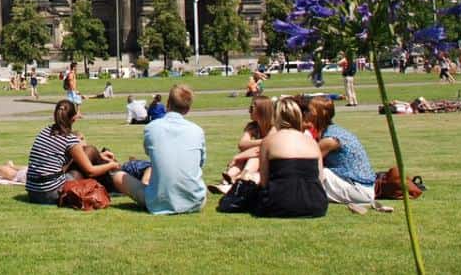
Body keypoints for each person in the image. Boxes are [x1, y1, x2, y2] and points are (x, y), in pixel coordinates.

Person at [116, 84, 207, 215]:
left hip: (158, 202)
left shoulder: (151, 128)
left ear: (168, 104)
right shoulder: (197, 131)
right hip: (195, 202)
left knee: (119, 177)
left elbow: (151, 154)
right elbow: (200, 164)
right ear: (188, 109)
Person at [25, 100, 123, 205]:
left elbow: (63, 162)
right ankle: (115, 186)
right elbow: (91, 171)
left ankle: (113, 183)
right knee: (91, 151)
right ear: (74, 118)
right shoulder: (69, 139)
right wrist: (112, 165)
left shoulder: (44, 132)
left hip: (33, 192)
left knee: (90, 151)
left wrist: (100, 155)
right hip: (51, 193)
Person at [307, 96, 390, 214]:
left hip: (359, 190)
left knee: (315, 172)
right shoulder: (336, 130)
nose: (306, 113)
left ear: (320, 114)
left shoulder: (330, 139)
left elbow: (308, 162)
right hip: (363, 187)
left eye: (309, 111)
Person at [252, 96, 326, 218]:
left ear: (276, 117)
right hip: (315, 205)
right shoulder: (312, 142)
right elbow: (320, 178)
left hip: (278, 204)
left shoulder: (268, 141)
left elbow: (264, 181)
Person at [213, 96, 276, 193]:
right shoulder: (252, 126)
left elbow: (265, 148)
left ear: (261, 110)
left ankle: (235, 181)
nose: (249, 111)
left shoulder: (274, 127)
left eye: (251, 109)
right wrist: (264, 141)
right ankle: (227, 180)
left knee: (254, 157)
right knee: (247, 154)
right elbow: (242, 144)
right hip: (258, 159)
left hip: (270, 163)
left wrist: (239, 156)